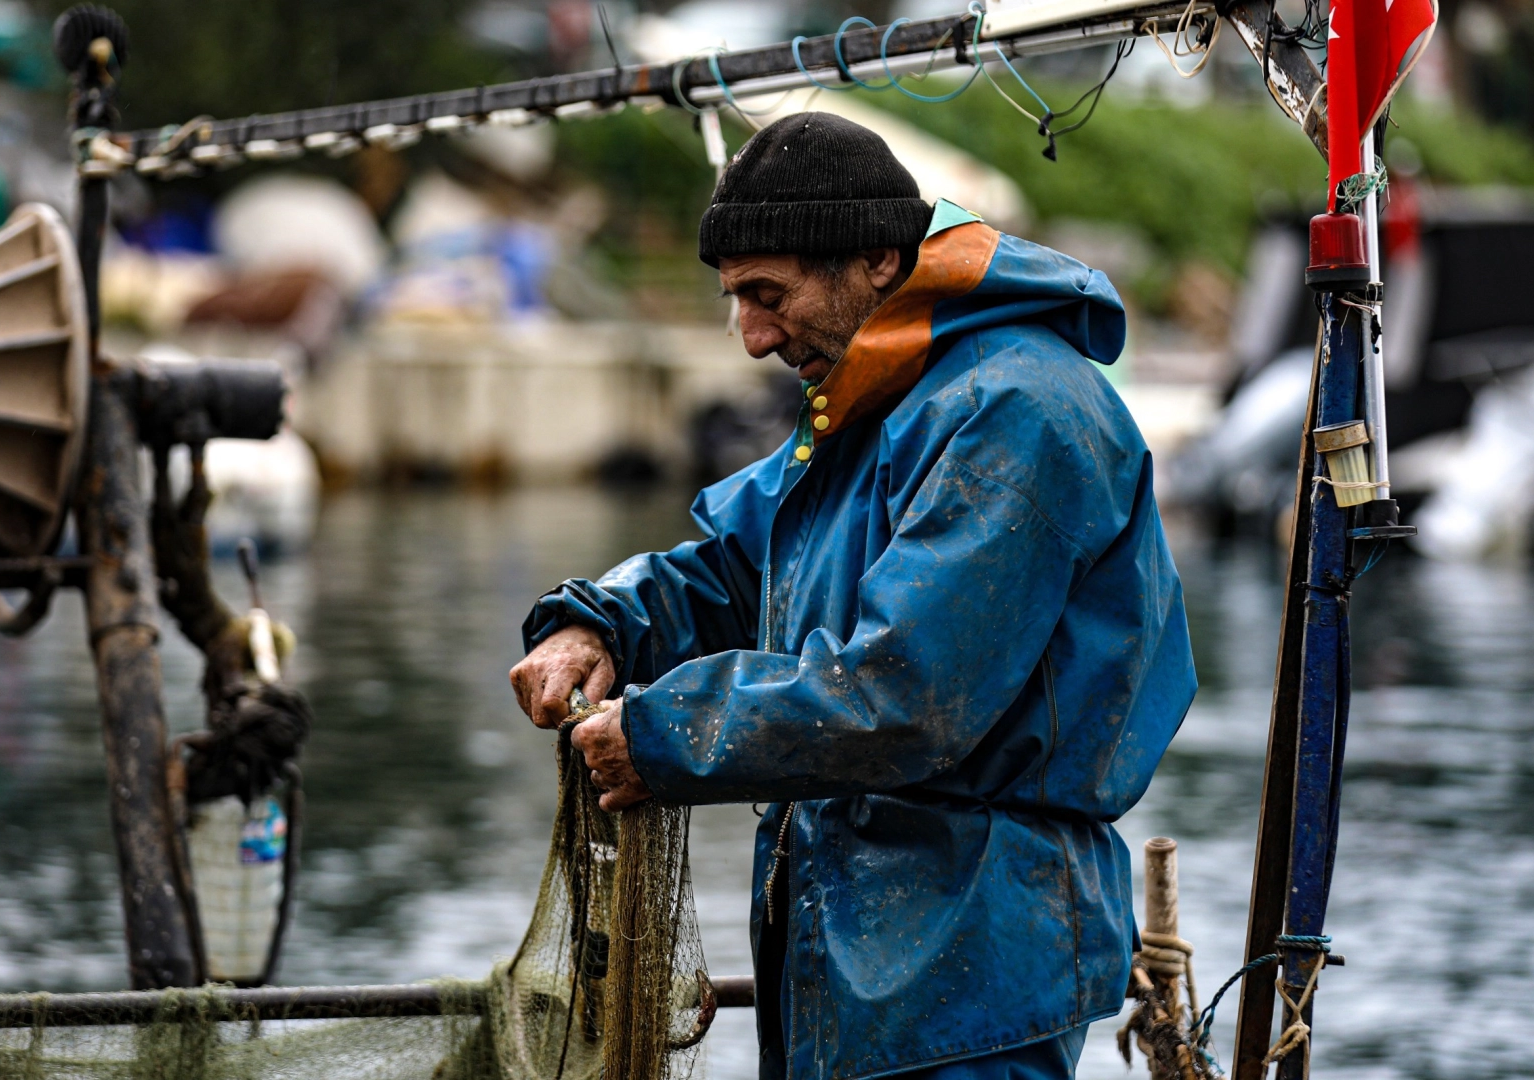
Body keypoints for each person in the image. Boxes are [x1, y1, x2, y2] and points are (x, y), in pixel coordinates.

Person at [510, 112, 1196, 1080]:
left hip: (970, 973)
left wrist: (660, 735)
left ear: (875, 259)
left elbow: (904, 695)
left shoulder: (1013, 409)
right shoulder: (879, 396)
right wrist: (597, 622)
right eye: (736, 301)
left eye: (768, 295)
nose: (753, 337)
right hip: (853, 952)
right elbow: (735, 567)